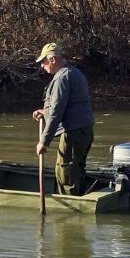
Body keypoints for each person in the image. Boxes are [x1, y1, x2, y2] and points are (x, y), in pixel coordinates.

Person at [32, 43, 94, 196]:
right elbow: (68, 105)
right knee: (77, 168)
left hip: (72, 133)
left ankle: (70, 204)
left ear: (52, 60)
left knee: (65, 171)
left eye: (44, 61)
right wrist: (44, 112)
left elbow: (57, 112)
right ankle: (80, 197)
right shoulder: (75, 73)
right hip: (84, 130)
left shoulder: (61, 78)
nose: (42, 66)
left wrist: (44, 141)